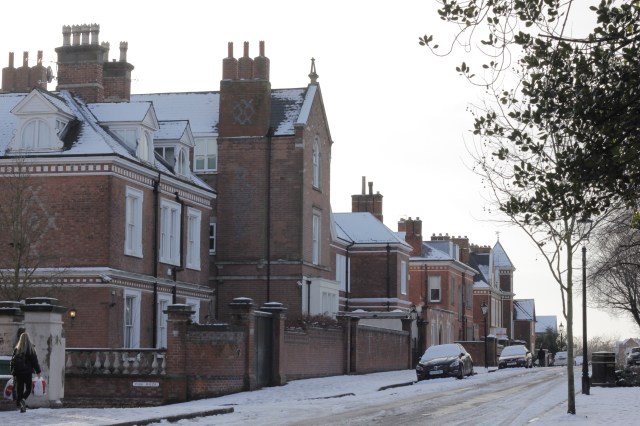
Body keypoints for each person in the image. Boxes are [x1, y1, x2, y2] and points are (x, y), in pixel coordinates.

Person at [10, 332, 42, 413]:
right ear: (28, 339)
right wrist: (38, 371)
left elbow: (12, 361)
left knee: (19, 389)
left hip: (18, 373)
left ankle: (20, 404)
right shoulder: (31, 349)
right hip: (27, 372)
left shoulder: (17, 349)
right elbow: (35, 362)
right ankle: (23, 400)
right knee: (28, 388)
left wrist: (12, 372)